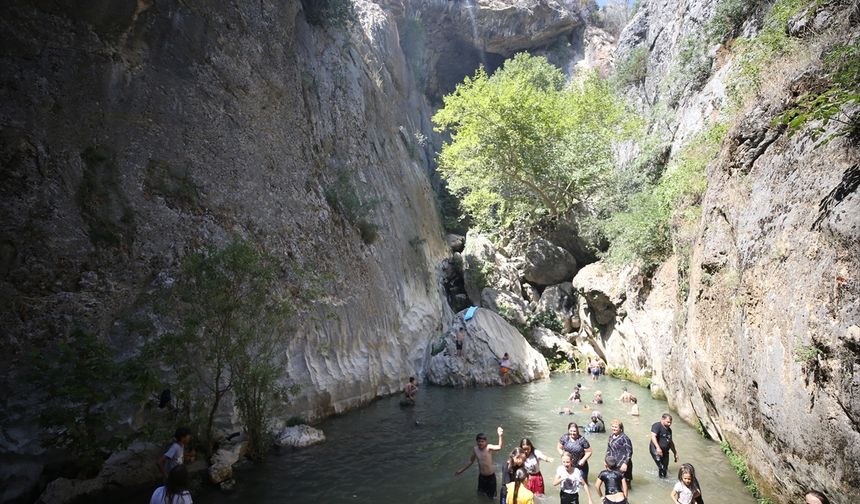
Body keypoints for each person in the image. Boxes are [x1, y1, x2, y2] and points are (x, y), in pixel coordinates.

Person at [455, 427, 505, 499]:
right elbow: (471, 461)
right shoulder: (475, 449)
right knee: (481, 495)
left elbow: (499, 447)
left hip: (491, 477)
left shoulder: (488, 447)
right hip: (482, 477)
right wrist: (461, 470)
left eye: (482, 441)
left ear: (486, 442)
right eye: (479, 441)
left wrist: (500, 435)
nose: (480, 443)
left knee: (492, 497)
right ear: (476, 442)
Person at [650, 413, 677, 478]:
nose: (669, 424)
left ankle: (663, 480)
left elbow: (671, 442)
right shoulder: (657, 426)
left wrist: (675, 453)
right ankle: (661, 482)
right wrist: (658, 448)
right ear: (662, 419)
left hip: (665, 451)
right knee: (661, 467)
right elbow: (653, 436)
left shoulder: (669, 430)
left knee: (665, 469)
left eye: (670, 423)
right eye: (668, 422)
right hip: (655, 449)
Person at [606, 419, 633, 486]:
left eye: (615, 427)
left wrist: (625, 464)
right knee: (614, 484)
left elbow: (629, 452)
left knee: (625, 485)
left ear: (620, 428)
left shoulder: (624, 438)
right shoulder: (611, 436)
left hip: (623, 464)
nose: (613, 428)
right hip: (613, 464)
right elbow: (608, 449)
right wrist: (606, 461)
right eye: (613, 426)